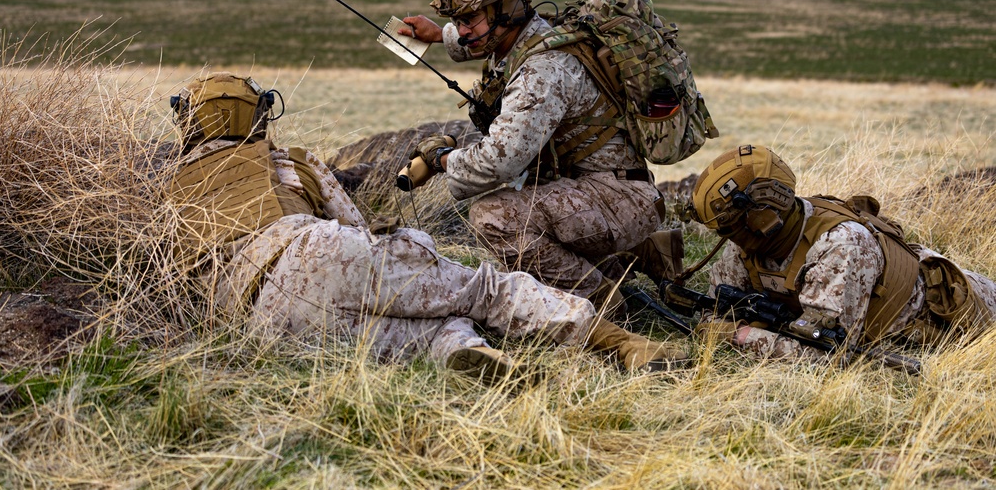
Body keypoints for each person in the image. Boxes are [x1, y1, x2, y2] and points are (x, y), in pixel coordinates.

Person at [166, 72, 689, 381]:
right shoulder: (284, 161)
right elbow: (350, 223)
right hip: (314, 248)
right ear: (254, 118)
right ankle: (620, 344)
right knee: (481, 288)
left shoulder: (175, 192)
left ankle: (461, 350)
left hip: (255, 311)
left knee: (395, 334)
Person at [399, 0, 679, 313]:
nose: (463, 31)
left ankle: (605, 304)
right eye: (458, 21)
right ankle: (640, 255)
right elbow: (480, 39)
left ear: (507, 9)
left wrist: (443, 159)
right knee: (527, 196)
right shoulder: (533, 34)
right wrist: (440, 35)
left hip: (616, 196)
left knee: (495, 218)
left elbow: (498, 163)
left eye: (469, 19)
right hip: (598, 187)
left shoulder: (542, 72)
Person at [689, 144, 996, 359]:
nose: (727, 237)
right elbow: (714, 311)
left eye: (730, 227)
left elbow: (826, 355)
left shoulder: (840, 246)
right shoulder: (749, 244)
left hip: (959, 312)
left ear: (762, 216)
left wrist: (740, 336)